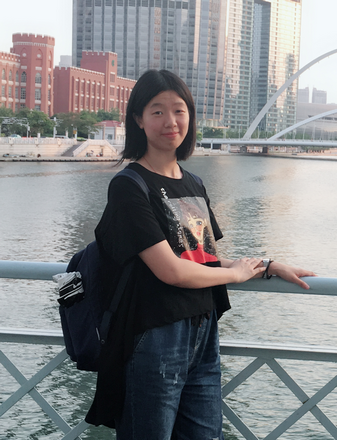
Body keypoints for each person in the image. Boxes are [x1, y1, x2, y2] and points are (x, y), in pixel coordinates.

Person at [85, 69, 315, 438]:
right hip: (154, 336)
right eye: (157, 111)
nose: (170, 121)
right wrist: (235, 275)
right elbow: (172, 271)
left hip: (203, 332)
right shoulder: (129, 186)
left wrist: (267, 265)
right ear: (138, 119)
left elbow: (203, 261)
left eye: (179, 110)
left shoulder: (193, 183)